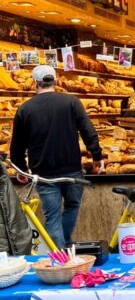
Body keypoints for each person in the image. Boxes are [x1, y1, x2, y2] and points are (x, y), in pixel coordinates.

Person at [10, 64, 105, 249]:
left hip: (43, 173)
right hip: (72, 170)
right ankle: (64, 250)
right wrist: (96, 156)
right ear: (56, 81)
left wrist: (20, 169)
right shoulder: (71, 102)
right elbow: (88, 130)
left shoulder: (25, 109)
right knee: (72, 207)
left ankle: (60, 257)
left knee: (52, 217)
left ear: (35, 83)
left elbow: (17, 145)